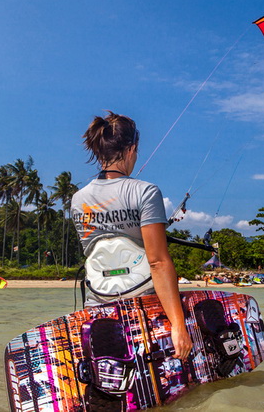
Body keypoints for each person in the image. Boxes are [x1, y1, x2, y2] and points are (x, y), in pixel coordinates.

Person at [71, 111, 192, 361]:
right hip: (143, 305)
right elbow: (158, 262)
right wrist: (179, 325)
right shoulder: (145, 192)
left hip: (97, 304)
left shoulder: (77, 199)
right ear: (131, 149)